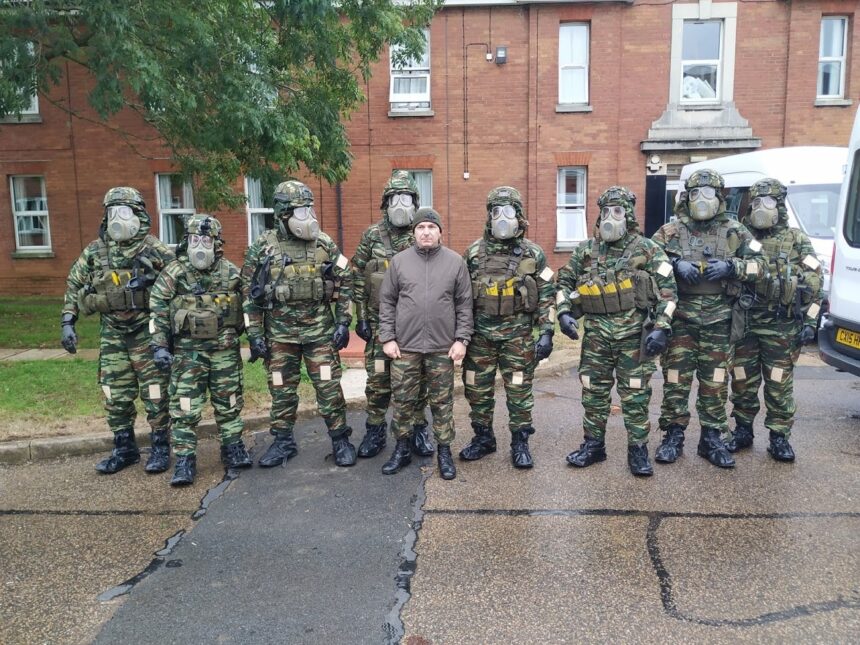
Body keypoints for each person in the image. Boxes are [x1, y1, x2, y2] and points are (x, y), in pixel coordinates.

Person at [557, 186, 678, 476]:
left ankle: (638, 451)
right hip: (596, 338)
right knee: (593, 394)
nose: (611, 217)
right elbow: (563, 282)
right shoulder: (586, 250)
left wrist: (661, 327)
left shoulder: (647, 249)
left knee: (635, 396)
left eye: (618, 211)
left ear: (628, 215)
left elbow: (669, 292)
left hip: (632, 339)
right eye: (606, 211)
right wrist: (563, 312)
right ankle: (593, 446)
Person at [651, 169, 765, 468]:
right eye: (695, 193)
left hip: (720, 321)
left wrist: (732, 267)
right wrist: (675, 264)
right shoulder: (669, 231)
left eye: (709, 193)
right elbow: (648, 261)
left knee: (715, 383)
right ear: (686, 197)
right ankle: (673, 436)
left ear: (720, 196)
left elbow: (762, 266)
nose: (702, 199)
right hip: (680, 320)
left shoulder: (736, 231)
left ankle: (711, 439)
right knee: (675, 380)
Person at [241, 180, 357, 468]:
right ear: (283, 214)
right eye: (300, 211)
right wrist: (254, 335)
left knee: (329, 388)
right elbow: (249, 293)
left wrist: (343, 321)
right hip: (280, 337)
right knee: (281, 390)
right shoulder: (263, 247)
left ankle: (340, 440)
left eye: (309, 209)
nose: (308, 217)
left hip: (319, 334)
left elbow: (347, 279)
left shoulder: (324, 243)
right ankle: (283, 442)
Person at [61, 187, 174, 475]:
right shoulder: (96, 250)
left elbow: (179, 283)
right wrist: (68, 321)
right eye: (112, 212)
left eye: (124, 212)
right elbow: (74, 283)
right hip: (113, 333)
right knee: (115, 393)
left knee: (156, 392)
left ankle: (161, 448)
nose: (117, 219)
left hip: (146, 332)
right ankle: (124, 449)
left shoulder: (154, 249)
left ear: (138, 214)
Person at [149, 215, 251, 485]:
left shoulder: (230, 272)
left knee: (229, 402)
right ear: (186, 241)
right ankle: (185, 459)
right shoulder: (175, 273)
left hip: (224, 351)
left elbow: (248, 307)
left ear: (216, 243)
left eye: (206, 240)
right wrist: (159, 345)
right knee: (185, 407)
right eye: (195, 240)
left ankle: (232, 447)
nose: (200, 246)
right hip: (188, 354)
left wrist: (254, 338)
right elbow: (158, 310)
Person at [459, 186, 556, 469]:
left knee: (519, 391)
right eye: (497, 211)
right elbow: (460, 298)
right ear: (489, 216)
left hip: (518, 338)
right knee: (477, 390)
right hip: (480, 339)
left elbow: (547, 294)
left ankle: (520, 443)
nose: (503, 217)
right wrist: (459, 336)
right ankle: (483, 438)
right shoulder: (473, 253)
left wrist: (547, 332)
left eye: (509, 211)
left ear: (519, 215)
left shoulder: (533, 253)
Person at [727, 178, 823, 461]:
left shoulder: (796, 240)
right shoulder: (741, 236)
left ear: (779, 206)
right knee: (742, 380)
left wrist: (811, 323)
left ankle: (779, 437)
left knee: (779, 384)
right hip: (746, 324)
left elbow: (816, 284)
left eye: (768, 201)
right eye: (756, 201)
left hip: (782, 327)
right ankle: (742, 430)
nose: (761, 207)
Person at [377, 207, 473, 480]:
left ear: (440, 232)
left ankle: (444, 451)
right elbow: (387, 301)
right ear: (414, 232)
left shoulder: (455, 262)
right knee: (403, 401)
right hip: (405, 347)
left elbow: (464, 304)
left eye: (432, 227)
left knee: (442, 403)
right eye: (421, 227)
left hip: (442, 347)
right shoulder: (399, 262)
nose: (426, 232)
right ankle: (402, 448)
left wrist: (461, 339)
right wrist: (388, 337)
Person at [351, 171, 432, 460]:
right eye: (395, 199)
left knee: (417, 382)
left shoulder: (422, 234)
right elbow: (357, 278)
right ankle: (375, 431)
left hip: (414, 327)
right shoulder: (372, 236)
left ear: (415, 202)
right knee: (378, 381)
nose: (400, 205)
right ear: (385, 203)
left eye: (406, 199)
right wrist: (361, 317)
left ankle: (418, 429)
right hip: (379, 325)